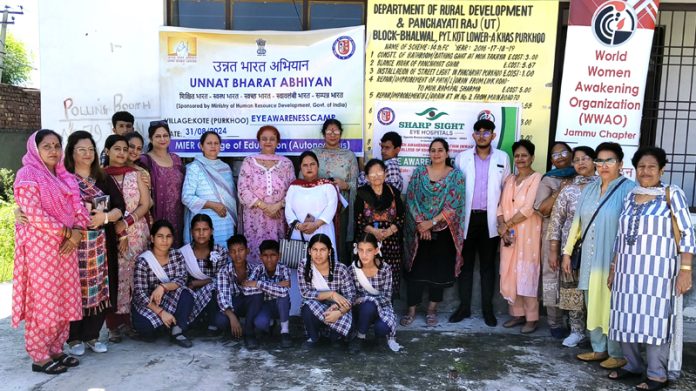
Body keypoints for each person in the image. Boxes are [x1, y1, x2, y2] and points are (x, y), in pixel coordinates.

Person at [606, 147, 694, 389]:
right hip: (626, 270)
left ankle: (656, 373)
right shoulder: (630, 195)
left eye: (651, 167)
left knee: (655, 320)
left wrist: (686, 270)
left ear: (661, 169)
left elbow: (687, 233)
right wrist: (614, 266)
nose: (645, 171)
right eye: (641, 167)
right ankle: (632, 365)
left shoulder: (672, 194)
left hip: (658, 272)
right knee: (625, 316)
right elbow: (620, 235)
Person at [13, 130, 91, 374]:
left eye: (57, 145)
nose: (53, 151)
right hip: (41, 248)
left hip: (66, 248)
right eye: (47, 146)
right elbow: (33, 213)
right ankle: (39, 356)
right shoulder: (27, 174)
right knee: (43, 301)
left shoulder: (62, 175)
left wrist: (77, 230)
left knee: (64, 298)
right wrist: (67, 233)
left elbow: (78, 208)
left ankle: (56, 348)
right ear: (35, 149)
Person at [562, 142, 635, 370]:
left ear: (620, 164)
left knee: (611, 304)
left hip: (614, 259)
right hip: (589, 258)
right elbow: (577, 223)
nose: (603, 165)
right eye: (600, 161)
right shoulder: (590, 189)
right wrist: (567, 252)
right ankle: (598, 349)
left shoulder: (629, 189)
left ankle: (616, 352)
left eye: (609, 160)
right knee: (591, 301)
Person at [63, 131, 125, 356]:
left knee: (99, 287)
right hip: (72, 245)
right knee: (74, 289)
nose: (87, 154)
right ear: (71, 152)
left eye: (90, 149)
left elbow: (120, 207)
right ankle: (73, 337)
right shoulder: (63, 178)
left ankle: (92, 335)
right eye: (82, 149)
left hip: (100, 244)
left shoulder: (103, 177)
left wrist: (105, 218)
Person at [450, 119, 510, 326]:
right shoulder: (462, 158)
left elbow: (506, 189)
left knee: (487, 266)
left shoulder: (503, 157)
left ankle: (487, 309)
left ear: (493, 136)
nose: (482, 135)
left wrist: (503, 220)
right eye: (479, 132)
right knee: (464, 265)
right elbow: (455, 190)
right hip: (467, 219)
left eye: (487, 132)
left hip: (490, 219)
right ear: (473, 135)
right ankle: (464, 307)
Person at [401, 138, 467, 327]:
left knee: (438, 273)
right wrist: (422, 223)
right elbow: (411, 199)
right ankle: (411, 310)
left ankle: (431, 310)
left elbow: (453, 205)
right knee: (415, 272)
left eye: (440, 150)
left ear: (447, 153)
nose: (436, 154)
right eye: (433, 150)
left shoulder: (456, 177)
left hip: (443, 232)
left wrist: (432, 222)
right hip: (418, 231)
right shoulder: (420, 173)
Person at [103, 134, 151, 343]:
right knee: (113, 276)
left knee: (135, 276)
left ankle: (133, 321)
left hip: (137, 232)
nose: (122, 153)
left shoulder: (137, 174)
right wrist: (117, 227)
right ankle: (113, 325)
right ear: (107, 151)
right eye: (117, 149)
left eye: (125, 149)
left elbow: (146, 203)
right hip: (109, 234)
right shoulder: (100, 176)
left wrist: (127, 222)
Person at [548, 146, 597, 348]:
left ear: (595, 161)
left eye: (585, 158)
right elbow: (556, 221)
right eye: (576, 160)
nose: (581, 163)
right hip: (570, 252)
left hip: (596, 252)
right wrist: (554, 250)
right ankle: (576, 331)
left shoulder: (605, 188)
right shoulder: (568, 189)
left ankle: (596, 335)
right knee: (572, 292)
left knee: (594, 293)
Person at [131, 220, 204, 348]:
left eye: (168, 236)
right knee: (147, 330)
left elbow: (182, 279)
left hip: (170, 298)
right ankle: (168, 323)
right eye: (160, 236)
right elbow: (139, 294)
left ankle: (177, 331)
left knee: (187, 295)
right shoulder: (143, 261)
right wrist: (161, 313)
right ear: (152, 238)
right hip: (149, 304)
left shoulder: (177, 255)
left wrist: (163, 287)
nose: (164, 240)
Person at [497, 139, 543, 334]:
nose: (521, 159)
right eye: (517, 156)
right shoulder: (509, 180)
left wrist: (506, 225)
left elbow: (528, 208)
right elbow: (500, 205)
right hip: (508, 235)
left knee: (527, 274)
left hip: (528, 234)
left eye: (525, 155)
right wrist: (501, 225)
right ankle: (516, 315)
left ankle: (532, 318)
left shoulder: (537, 178)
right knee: (511, 273)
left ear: (532, 157)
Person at [285, 151, 339, 314]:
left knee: (324, 266)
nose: (309, 168)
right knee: (299, 269)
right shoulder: (294, 187)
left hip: (322, 232)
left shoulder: (327, 186)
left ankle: (327, 308)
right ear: (300, 168)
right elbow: (288, 208)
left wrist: (316, 224)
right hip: (298, 234)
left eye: (312, 164)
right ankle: (297, 309)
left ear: (318, 166)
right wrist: (297, 224)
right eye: (305, 165)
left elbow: (332, 207)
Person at [534, 141, 576, 338]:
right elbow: (541, 209)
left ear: (572, 154)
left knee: (573, 277)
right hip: (552, 235)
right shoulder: (548, 180)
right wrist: (560, 191)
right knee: (552, 274)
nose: (559, 157)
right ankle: (555, 322)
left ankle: (576, 323)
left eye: (563, 152)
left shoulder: (582, 177)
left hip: (577, 236)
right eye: (555, 155)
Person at [238, 125, 295, 263]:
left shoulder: (286, 163)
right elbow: (242, 189)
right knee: (255, 249)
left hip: (278, 216)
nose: (268, 142)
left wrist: (278, 205)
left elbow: (294, 191)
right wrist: (265, 206)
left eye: (272, 139)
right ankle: (255, 279)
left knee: (277, 250)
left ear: (277, 142)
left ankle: (277, 280)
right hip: (255, 217)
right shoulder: (249, 161)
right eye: (264, 139)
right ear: (258, 141)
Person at [354, 159, 404, 298]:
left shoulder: (393, 192)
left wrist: (389, 231)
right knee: (369, 274)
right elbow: (359, 220)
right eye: (372, 173)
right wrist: (375, 232)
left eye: (379, 172)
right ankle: (367, 308)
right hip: (368, 242)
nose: (376, 176)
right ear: (366, 177)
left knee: (389, 277)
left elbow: (401, 216)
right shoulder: (362, 194)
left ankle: (388, 309)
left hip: (391, 243)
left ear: (386, 174)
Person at [311, 119, 359, 264]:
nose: (332, 135)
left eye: (336, 131)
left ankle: (339, 277)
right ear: (323, 134)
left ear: (341, 134)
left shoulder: (349, 155)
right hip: (317, 208)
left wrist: (345, 185)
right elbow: (303, 180)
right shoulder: (315, 154)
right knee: (318, 242)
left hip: (340, 209)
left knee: (339, 244)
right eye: (329, 131)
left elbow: (356, 184)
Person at [298, 234, 355, 348]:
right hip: (317, 307)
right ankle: (313, 337)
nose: (318, 254)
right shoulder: (304, 266)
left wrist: (339, 312)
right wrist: (332, 294)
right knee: (307, 306)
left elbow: (351, 297)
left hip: (337, 308)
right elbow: (306, 293)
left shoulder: (340, 269)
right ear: (309, 251)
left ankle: (336, 337)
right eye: (315, 249)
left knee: (337, 343)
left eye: (323, 250)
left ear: (329, 252)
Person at [182, 131, 237, 247]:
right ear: (201, 146)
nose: (213, 146)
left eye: (216, 143)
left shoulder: (226, 168)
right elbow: (186, 197)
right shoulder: (195, 167)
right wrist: (213, 205)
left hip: (225, 223)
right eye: (209, 143)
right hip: (203, 222)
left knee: (223, 253)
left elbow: (230, 200)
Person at [180, 214, 229, 335]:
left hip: (213, 295)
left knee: (213, 288)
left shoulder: (220, 251)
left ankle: (212, 323)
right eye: (197, 230)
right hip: (191, 293)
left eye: (205, 229)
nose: (201, 233)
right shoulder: (183, 253)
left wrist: (199, 283)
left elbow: (222, 278)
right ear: (191, 232)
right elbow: (180, 278)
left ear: (211, 231)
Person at [139, 120, 185, 246]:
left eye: (165, 135)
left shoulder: (176, 159)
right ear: (150, 138)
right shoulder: (145, 160)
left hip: (178, 214)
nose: (162, 139)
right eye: (158, 136)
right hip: (156, 214)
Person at [351, 233, 399, 352]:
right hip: (361, 309)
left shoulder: (385, 269)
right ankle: (360, 337)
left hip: (382, 307)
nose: (364, 255)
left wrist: (367, 298)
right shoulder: (353, 269)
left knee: (382, 328)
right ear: (356, 250)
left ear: (376, 250)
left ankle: (379, 337)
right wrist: (364, 301)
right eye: (361, 250)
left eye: (369, 250)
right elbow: (351, 295)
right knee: (368, 306)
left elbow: (387, 297)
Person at [214, 234, 264, 349]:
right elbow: (222, 296)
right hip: (234, 305)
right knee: (220, 320)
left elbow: (259, 292)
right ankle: (232, 329)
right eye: (233, 251)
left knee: (257, 296)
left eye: (241, 250)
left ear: (247, 251)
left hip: (251, 305)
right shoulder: (224, 271)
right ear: (229, 254)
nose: (237, 254)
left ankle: (249, 332)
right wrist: (232, 318)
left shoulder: (255, 269)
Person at [244, 240, 292, 348]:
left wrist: (258, 284)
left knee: (283, 298)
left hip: (280, 306)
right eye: (265, 256)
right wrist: (277, 284)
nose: (269, 259)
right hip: (264, 305)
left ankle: (285, 332)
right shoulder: (258, 269)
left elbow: (284, 292)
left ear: (279, 256)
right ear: (260, 257)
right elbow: (247, 289)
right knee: (260, 323)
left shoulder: (284, 269)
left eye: (273, 255)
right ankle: (270, 324)